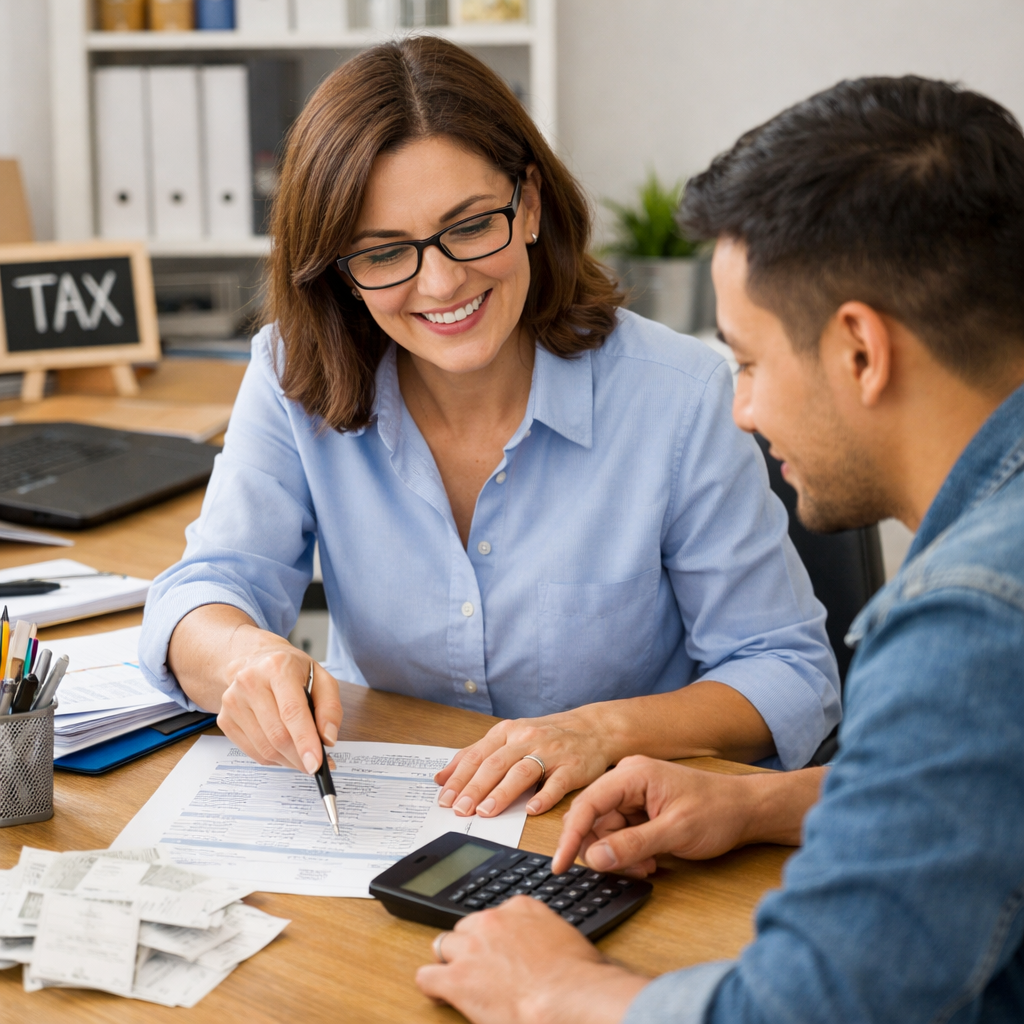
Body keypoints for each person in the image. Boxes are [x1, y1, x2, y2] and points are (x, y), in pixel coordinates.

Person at [415, 75, 1024, 1024]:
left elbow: (805, 1010)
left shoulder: (971, 619)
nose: (739, 408)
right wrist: (760, 806)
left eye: (747, 360)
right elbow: (991, 784)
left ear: (860, 350)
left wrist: (560, 989)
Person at [140, 36, 839, 810]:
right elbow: (202, 591)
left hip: (603, 833)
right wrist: (243, 657)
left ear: (529, 204)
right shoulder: (290, 375)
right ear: (340, 272)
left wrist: (603, 731)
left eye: (471, 227)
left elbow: (787, 671)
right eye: (382, 253)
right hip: (384, 823)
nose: (440, 284)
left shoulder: (676, 395)